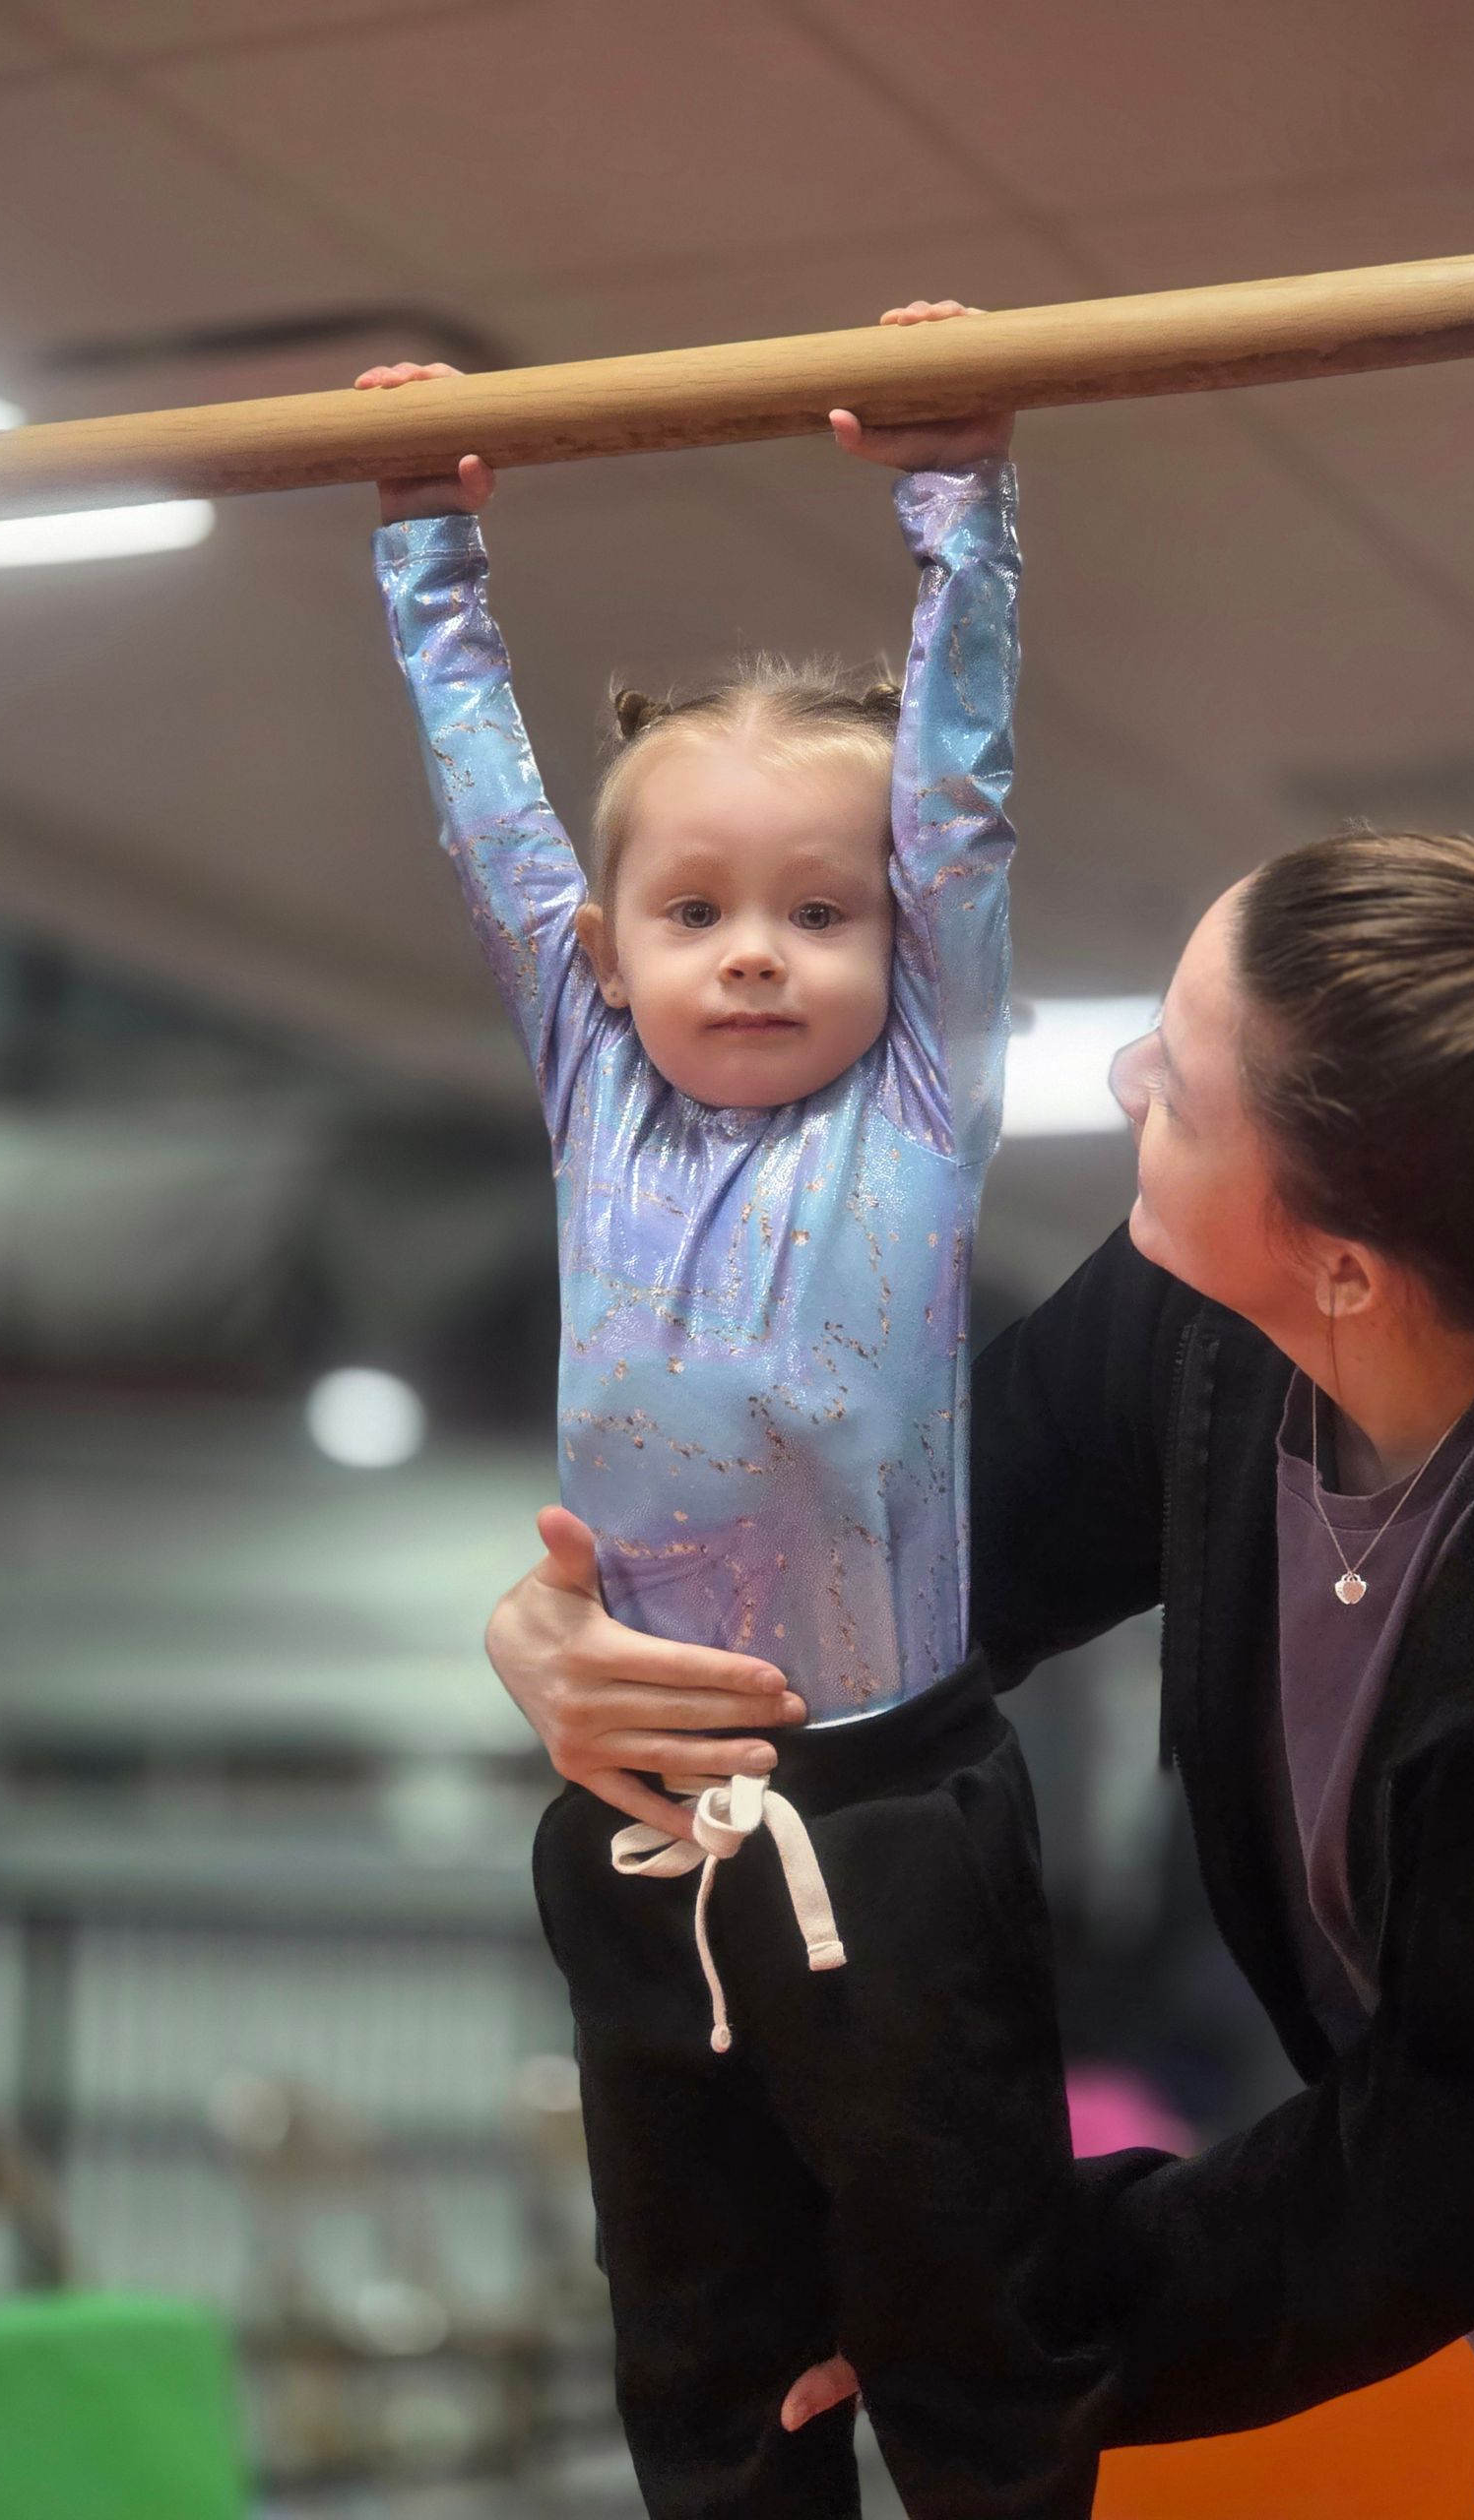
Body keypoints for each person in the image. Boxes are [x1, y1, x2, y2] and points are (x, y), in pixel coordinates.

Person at [488, 832, 1474, 2517]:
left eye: (1181, 1084)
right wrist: (583, 1634)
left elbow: (1420, 2179)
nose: (1125, 1076)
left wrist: (973, 2313)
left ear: (1342, 1260)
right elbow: (883, 1585)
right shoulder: (1202, 1323)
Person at [358, 313, 1105, 2520]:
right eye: (695, 914)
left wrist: (957, 499)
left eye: (819, 910)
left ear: (909, 944)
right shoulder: (597, 1080)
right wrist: (425, 539)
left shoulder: (921, 1102)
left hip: (888, 1803)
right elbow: (492, 817)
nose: (757, 953)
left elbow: (957, 794)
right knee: (700, 2328)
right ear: (603, 947)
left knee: (967, 2310)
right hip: (642, 1808)